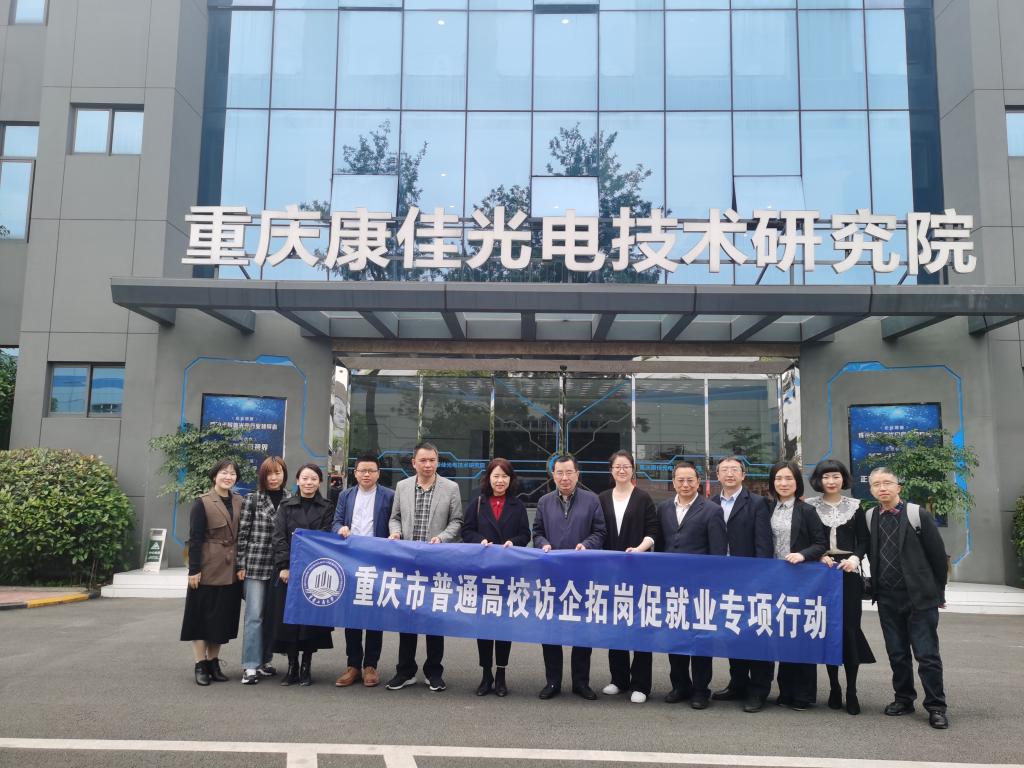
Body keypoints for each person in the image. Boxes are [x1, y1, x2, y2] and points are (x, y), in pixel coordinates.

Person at [864, 466, 950, 730]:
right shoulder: (870, 517)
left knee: (927, 655)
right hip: (887, 598)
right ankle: (903, 699)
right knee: (897, 653)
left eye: (887, 483)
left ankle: (936, 706)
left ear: (898, 487)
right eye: (876, 484)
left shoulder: (916, 515)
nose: (882, 488)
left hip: (919, 597)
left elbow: (938, 557)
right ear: (871, 490)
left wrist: (938, 593)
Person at [387, 441, 464, 692]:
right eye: (423, 460)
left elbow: (457, 521)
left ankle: (434, 672)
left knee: (434, 619)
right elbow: (395, 517)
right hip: (408, 563)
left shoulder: (451, 488)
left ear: (437, 462)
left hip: (436, 564)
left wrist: (441, 538)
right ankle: (405, 671)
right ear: (414, 463)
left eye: (432, 460)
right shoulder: (402, 486)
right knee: (407, 619)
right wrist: (396, 533)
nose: (428, 465)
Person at [533, 453, 606, 701]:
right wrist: (542, 544)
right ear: (553, 475)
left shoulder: (592, 500)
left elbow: (600, 532)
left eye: (569, 472)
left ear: (577, 474)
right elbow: (537, 532)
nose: (564, 478)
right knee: (550, 630)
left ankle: (581, 683)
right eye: (559, 473)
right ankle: (552, 682)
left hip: (582, 575)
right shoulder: (544, 501)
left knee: (582, 630)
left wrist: (587, 545)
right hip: (551, 576)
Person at [806, 459, 876, 715]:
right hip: (821, 573)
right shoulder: (810, 506)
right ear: (819, 480)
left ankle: (851, 690)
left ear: (843, 478)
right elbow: (807, 538)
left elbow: (864, 540)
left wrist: (855, 559)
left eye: (835, 476)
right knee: (827, 630)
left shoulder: (855, 506)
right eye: (826, 477)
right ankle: (834, 687)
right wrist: (818, 556)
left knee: (849, 630)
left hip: (848, 573)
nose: (831, 481)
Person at [656, 460, 727, 709]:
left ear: (698, 482)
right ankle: (680, 685)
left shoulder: (711, 510)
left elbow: (718, 553)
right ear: (673, 482)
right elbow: (661, 545)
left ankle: (700, 690)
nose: (685, 484)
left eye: (690, 480)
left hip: (701, 589)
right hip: (672, 587)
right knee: (675, 638)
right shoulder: (663, 508)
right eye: (680, 480)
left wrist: (713, 587)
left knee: (700, 639)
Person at [709, 456, 775, 713]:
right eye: (724, 470)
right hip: (722, 580)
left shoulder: (757, 503)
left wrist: (760, 578)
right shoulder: (711, 503)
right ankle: (738, 683)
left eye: (734, 470)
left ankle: (758, 689)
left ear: (743, 475)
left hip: (751, 580)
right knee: (733, 632)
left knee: (757, 634)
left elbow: (763, 544)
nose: (729, 474)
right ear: (717, 475)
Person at [461, 457, 531, 697]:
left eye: (504, 476)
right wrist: (479, 540)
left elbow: (525, 534)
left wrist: (514, 542)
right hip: (483, 572)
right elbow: (466, 530)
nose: (500, 481)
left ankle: (501, 674)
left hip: (507, 573)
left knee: (503, 626)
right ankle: (486, 674)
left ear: (510, 479)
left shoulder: (517, 505)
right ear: (488, 478)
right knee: (484, 626)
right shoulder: (478, 502)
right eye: (496, 476)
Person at [767, 459, 828, 711]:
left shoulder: (807, 511)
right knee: (780, 636)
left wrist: (802, 555)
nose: (783, 483)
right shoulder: (766, 507)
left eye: (788, 478)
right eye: (779, 478)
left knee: (800, 634)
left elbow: (821, 544)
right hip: (772, 580)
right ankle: (785, 690)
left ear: (797, 482)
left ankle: (803, 694)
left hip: (800, 580)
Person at [598, 450, 658, 704]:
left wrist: (639, 549)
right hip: (610, 573)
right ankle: (619, 679)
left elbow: (653, 532)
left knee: (640, 625)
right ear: (611, 470)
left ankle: (641, 684)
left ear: (633, 470)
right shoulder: (601, 498)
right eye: (617, 466)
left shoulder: (643, 498)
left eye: (626, 466)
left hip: (639, 571)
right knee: (616, 624)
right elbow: (597, 531)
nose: (622, 470)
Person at [332, 453, 395, 689]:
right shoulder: (345, 495)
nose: (366, 474)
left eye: (371, 470)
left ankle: (371, 665)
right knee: (353, 614)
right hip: (351, 562)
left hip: (378, 562)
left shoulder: (389, 496)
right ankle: (353, 665)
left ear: (378, 473)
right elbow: (335, 521)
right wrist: (340, 529)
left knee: (375, 614)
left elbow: (395, 522)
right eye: (362, 470)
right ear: (355, 473)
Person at [180, 459, 244, 686]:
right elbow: (195, 538)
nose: (228, 477)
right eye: (224, 473)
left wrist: (241, 565)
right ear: (214, 476)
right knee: (201, 616)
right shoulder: (203, 502)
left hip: (230, 568)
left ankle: (213, 661)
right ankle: (200, 664)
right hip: (207, 568)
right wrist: (194, 569)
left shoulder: (240, 501)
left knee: (221, 618)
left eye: (232, 473)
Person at [271, 463, 335, 686]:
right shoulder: (285, 506)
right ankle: (292, 666)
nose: (309, 482)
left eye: (313, 479)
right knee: (290, 621)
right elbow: (279, 537)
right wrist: (284, 566)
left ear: (320, 482)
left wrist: (311, 566)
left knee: (310, 622)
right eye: (305, 478)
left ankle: (306, 665)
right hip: (288, 571)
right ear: (297, 481)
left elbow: (325, 538)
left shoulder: (327, 507)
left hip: (314, 571)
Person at [235, 456, 291, 685]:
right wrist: (240, 564)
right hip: (256, 564)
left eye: (278, 473)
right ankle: (250, 665)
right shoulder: (252, 499)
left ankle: (265, 660)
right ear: (263, 476)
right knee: (254, 615)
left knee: (271, 615)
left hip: (280, 567)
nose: (273, 478)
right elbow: (243, 533)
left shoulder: (290, 499)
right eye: (269, 473)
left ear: (284, 474)